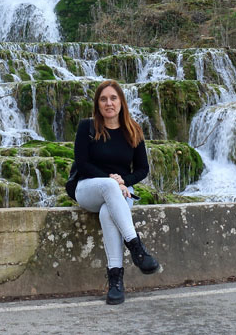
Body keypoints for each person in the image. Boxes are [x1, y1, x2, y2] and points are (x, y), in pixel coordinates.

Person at [68, 79, 160, 305]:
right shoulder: (86, 127)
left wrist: (124, 182)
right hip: (88, 187)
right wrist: (113, 181)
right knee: (110, 187)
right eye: (103, 99)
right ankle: (136, 246)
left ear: (121, 102)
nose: (108, 103)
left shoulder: (133, 130)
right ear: (98, 104)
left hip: (121, 191)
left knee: (107, 213)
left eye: (113, 98)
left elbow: (142, 169)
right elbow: (82, 163)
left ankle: (115, 281)